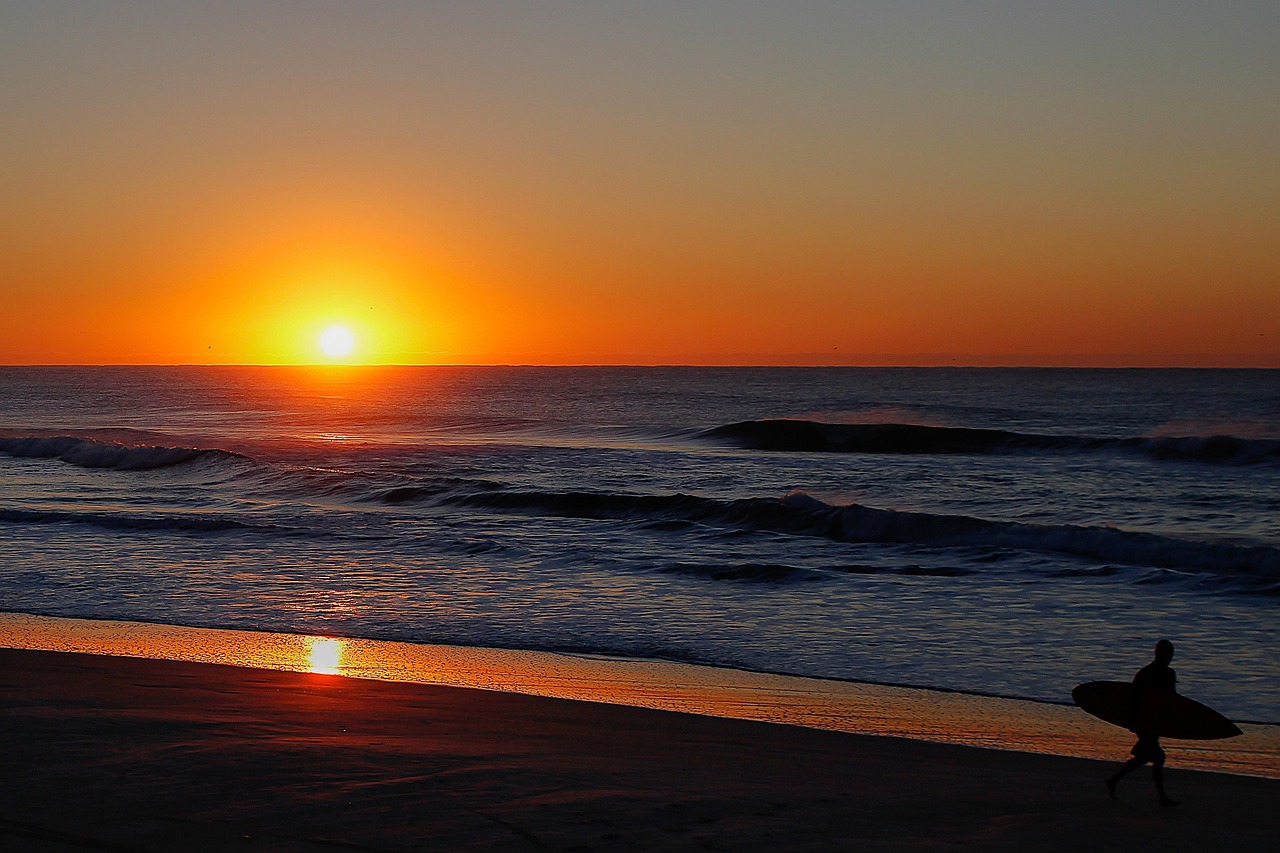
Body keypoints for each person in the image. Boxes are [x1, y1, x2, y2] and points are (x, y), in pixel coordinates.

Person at [1105, 639, 1178, 807]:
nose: (1169, 657)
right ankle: (1162, 798)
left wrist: (1171, 720)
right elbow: (1133, 700)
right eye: (1167, 654)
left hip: (1155, 720)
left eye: (1171, 654)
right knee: (1158, 757)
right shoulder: (1146, 674)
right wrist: (1132, 722)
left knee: (1146, 756)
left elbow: (1172, 700)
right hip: (1144, 720)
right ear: (1158, 654)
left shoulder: (1166, 673)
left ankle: (1113, 780)